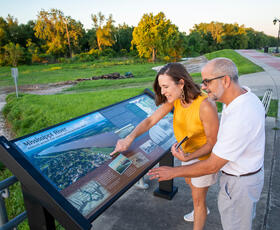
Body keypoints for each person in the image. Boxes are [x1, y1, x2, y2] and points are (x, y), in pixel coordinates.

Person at [148, 58, 265, 230]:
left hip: (239, 183)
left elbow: (212, 165)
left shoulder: (240, 115)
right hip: (242, 178)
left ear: (225, 80)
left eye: (207, 82)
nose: (203, 87)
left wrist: (173, 172)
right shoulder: (241, 98)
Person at [111, 63, 219, 230]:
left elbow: (212, 143)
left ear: (181, 83)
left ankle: (201, 210)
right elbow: (150, 120)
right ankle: (201, 207)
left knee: (198, 201)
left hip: (202, 158)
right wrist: (129, 138)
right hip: (186, 153)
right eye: (161, 87)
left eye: (166, 86)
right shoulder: (176, 99)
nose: (162, 92)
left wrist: (188, 157)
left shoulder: (206, 105)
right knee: (192, 186)